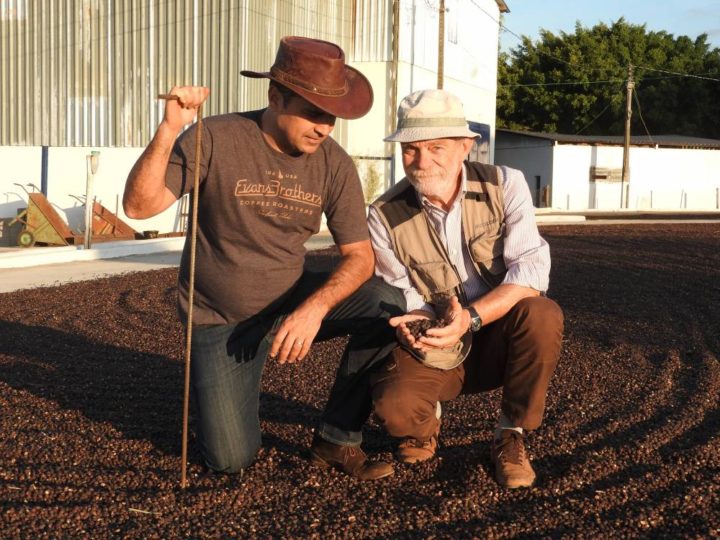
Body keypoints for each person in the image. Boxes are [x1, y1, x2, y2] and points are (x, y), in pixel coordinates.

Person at [123, 36, 405, 480]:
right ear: (275, 97)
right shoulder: (216, 137)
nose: (324, 128)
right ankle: (223, 396)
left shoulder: (334, 164)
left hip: (290, 300)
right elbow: (139, 207)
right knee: (230, 459)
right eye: (313, 112)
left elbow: (359, 256)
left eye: (331, 116)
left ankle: (337, 438)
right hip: (221, 319)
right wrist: (169, 129)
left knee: (388, 304)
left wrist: (314, 309)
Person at [367, 89, 564, 488]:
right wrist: (418, 324)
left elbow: (531, 269)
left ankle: (511, 433)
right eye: (410, 149)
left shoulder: (505, 184)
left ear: (464, 146)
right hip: (439, 336)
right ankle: (424, 428)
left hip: (498, 331)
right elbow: (404, 293)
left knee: (542, 314)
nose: (422, 161)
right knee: (394, 408)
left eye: (436, 147)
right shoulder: (383, 215)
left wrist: (471, 318)